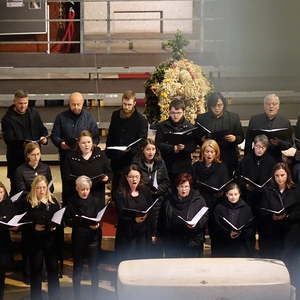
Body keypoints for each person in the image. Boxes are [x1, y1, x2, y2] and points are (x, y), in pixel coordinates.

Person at [51, 92, 99, 202]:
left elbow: (95, 137)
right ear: (69, 104)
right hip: (67, 157)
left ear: (83, 103)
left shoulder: (89, 117)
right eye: (73, 104)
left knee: (84, 186)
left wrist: (90, 146)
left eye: (78, 104)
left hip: (85, 159)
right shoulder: (61, 117)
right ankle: (67, 210)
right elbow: (55, 135)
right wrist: (61, 144)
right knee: (68, 187)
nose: (76, 107)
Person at [258, 162, 300, 289]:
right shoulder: (268, 190)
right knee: (275, 261)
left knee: (290, 261)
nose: (280, 178)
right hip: (273, 230)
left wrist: (287, 216)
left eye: (282, 175)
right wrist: (272, 216)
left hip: (291, 231)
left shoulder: (296, 190)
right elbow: (262, 209)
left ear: (287, 175)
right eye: (277, 176)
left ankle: (292, 287)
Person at [1, 90, 48, 195]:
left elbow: (42, 129)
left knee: (38, 186)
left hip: (34, 159)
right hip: (17, 159)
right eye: (20, 103)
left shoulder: (34, 113)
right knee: (17, 190)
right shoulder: (7, 119)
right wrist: (25, 144)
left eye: (25, 103)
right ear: (14, 102)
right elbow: (9, 140)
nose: (23, 106)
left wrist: (44, 138)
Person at [65, 176, 104, 300]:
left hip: (93, 238)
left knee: (94, 268)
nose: (85, 192)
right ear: (77, 188)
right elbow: (68, 221)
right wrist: (82, 222)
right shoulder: (72, 201)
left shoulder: (96, 201)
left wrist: (97, 224)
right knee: (78, 268)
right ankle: (77, 295)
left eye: (87, 189)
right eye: (82, 189)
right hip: (79, 238)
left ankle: (95, 295)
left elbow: (99, 217)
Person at [23, 175, 61, 300]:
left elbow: (58, 218)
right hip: (35, 241)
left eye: (44, 187)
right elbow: (24, 220)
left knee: (53, 270)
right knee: (36, 270)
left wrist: (55, 225)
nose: (42, 190)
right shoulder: (29, 201)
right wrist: (34, 226)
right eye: (39, 188)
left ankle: (55, 296)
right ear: (34, 188)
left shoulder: (53, 201)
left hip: (50, 240)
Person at [106, 90, 148, 200]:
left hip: (131, 159)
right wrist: (109, 150)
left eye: (129, 104)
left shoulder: (141, 120)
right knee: (115, 185)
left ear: (134, 103)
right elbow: (111, 134)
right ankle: (114, 203)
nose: (126, 107)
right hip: (116, 157)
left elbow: (142, 140)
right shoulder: (115, 115)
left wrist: (130, 149)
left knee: (129, 186)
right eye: (124, 104)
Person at [132, 138, 170, 256]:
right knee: (144, 231)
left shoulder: (160, 162)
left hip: (158, 199)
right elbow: (134, 182)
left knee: (156, 230)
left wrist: (158, 190)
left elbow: (166, 181)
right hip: (142, 200)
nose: (151, 152)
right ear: (143, 150)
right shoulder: (136, 163)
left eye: (153, 149)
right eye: (148, 149)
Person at [158, 173, 208, 258]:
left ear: (190, 187)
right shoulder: (168, 200)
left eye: (186, 186)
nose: (183, 189)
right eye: (181, 186)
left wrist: (196, 224)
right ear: (177, 187)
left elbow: (205, 217)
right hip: (173, 242)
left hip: (192, 242)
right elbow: (162, 219)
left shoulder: (198, 200)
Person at [195, 92, 244, 175]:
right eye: (214, 106)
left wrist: (234, 138)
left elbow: (241, 137)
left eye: (219, 105)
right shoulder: (202, 118)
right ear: (210, 106)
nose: (217, 108)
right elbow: (196, 137)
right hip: (208, 157)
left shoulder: (233, 117)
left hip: (228, 155)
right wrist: (202, 140)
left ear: (224, 105)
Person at [115, 164, 155, 262]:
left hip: (143, 233)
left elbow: (151, 209)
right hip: (127, 234)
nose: (134, 179)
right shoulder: (120, 193)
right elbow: (120, 213)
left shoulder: (145, 191)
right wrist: (134, 219)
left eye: (137, 177)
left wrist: (153, 232)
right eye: (131, 177)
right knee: (128, 261)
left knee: (142, 260)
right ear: (126, 177)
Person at [63, 130, 111, 206]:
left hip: (97, 195)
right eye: (83, 143)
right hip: (78, 197)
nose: (87, 145)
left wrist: (107, 177)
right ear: (78, 143)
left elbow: (109, 172)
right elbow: (66, 176)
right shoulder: (70, 157)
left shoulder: (100, 154)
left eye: (89, 142)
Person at [156, 99, 197, 181]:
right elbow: (158, 143)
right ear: (169, 112)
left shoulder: (190, 127)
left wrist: (184, 147)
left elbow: (193, 146)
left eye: (178, 113)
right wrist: (172, 148)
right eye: (173, 113)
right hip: (167, 163)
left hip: (184, 164)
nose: (175, 116)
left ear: (184, 112)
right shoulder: (162, 126)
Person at [245, 93, 293, 162]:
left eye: (274, 104)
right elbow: (248, 143)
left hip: (277, 159)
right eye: (268, 104)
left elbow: (289, 144)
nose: (271, 106)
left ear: (278, 106)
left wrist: (279, 143)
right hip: (257, 159)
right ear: (264, 106)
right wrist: (247, 159)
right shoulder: (254, 120)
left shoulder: (285, 122)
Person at [212, 183, 254, 257]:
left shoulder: (246, 208)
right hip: (224, 245)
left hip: (241, 245)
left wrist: (241, 233)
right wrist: (228, 234)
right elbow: (215, 226)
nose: (233, 197)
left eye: (236, 194)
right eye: (230, 194)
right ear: (226, 194)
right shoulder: (219, 208)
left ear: (239, 194)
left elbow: (250, 227)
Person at [192, 139, 230, 210]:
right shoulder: (196, 166)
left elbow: (225, 185)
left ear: (216, 153)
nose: (209, 154)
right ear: (203, 153)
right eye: (207, 152)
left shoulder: (222, 166)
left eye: (212, 152)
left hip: (217, 201)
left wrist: (221, 192)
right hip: (199, 200)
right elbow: (193, 184)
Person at [0, 182, 16, 300]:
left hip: (3, 241)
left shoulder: (8, 203)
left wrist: (15, 226)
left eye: (1, 192)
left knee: (1, 272)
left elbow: (12, 219)